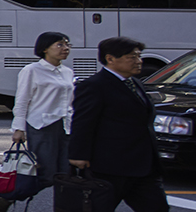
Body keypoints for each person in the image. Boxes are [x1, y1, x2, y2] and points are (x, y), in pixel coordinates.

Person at [69, 36, 166, 212]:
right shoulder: (94, 85)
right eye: (132, 57)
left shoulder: (135, 83)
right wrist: (78, 154)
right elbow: (83, 122)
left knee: (157, 208)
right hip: (109, 165)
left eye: (139, 56)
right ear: (110, 58)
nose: (139, 61)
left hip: (143, 165)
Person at [0, 31, 74, 212]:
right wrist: (18, 128)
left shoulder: (67, 71)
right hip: (42, 125)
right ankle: (8, 197)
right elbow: (23, 100)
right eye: (60, 45)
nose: (65, 48)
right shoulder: (32, 70)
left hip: (66, 125)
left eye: (67, 44)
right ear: (45, 48)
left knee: (66, 174)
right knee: (45, 174)